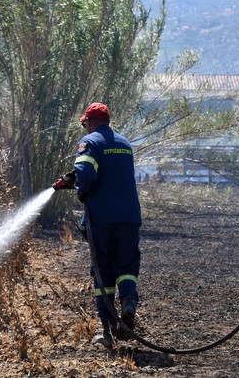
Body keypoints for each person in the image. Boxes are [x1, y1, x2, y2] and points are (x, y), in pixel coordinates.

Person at [73, 102, 142, 349]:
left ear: (90, 122)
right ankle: (128, 303)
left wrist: (80, 190)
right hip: (129, 217)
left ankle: (107, 330)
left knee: (102, 272)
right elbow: (112, 175)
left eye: (85, 123)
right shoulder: (125, 144)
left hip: (102, 218)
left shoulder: (89, 142)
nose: (85, 127)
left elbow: (86, 172)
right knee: (126, 266)